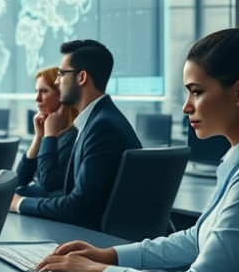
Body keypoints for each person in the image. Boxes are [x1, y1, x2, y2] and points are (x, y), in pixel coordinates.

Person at [36, 6, 239, 272]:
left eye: (196, 91)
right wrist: (110, 255)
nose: (186, 106)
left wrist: (97, 271)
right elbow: (197, 239)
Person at [10, 40, 141, 230]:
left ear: (81, 78)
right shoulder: (96, 121)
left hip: (92, 238)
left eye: (62, 74)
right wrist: (21, 195)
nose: (57, 81)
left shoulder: (102, 127)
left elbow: (75, 206)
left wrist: (19, 203)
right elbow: (65, 190)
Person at [15, 67, 79, 196]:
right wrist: (38, 137)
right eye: (36, 91)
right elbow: (20, 180)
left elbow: (49, 184)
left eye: (44, 91)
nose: (37, 99)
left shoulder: (73, 136)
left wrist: (49, 136)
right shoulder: (51, 133)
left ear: (62, 95)